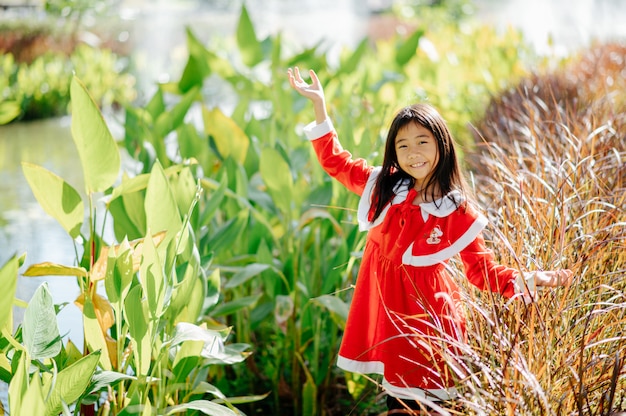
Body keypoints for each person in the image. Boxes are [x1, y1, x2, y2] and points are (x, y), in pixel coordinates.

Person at [287, 67, 573, 414]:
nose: (413, 153)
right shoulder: (385, 188)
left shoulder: (457, 212)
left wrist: (527, 279)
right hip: (388, 317)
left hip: (429, 323)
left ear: (442, 144)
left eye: (422, 141)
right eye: (402, 145)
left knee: (430, 405)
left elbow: (481, 271)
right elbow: (336, 162)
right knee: (397, 402)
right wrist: (319, 106)